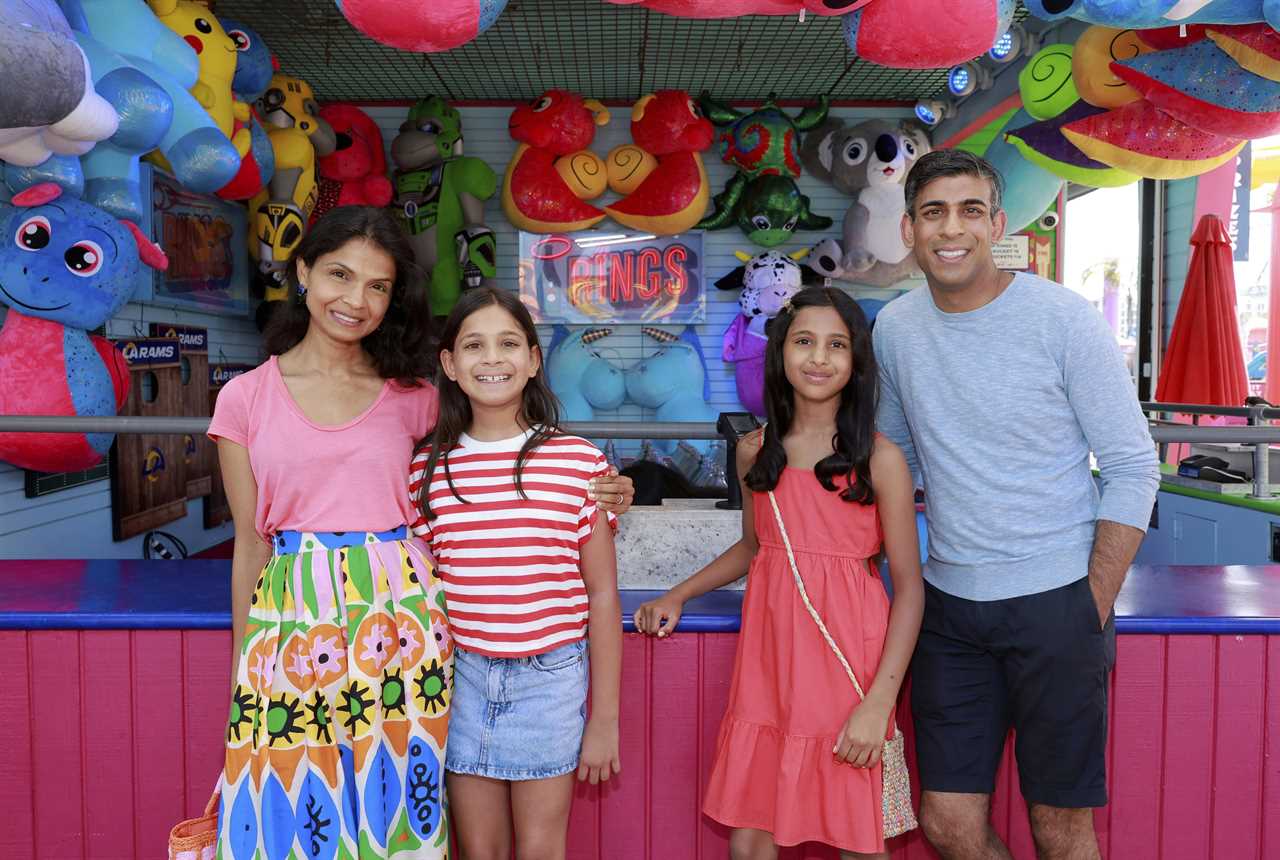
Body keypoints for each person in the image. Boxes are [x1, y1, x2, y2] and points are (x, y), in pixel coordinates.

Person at [209, 207, 633, 858]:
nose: (355, 299)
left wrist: (613, 486)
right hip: (293, 621)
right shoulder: (243, 398)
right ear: (302, 272)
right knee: (292, 812)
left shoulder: (413, 397)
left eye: (377, 286)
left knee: (394, 811)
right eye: (339, 276)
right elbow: (250, 542)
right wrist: (246, 666)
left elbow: (496, 451)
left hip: (401, 626)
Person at [875, 149, 1160, 860]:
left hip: (1058, 604)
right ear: (909, 229)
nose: (953, 229)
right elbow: (892, 459)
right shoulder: (895, 330)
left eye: (971, 210)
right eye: (934, 212)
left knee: (1060, 827)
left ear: (998, 223)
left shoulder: (1062, 320)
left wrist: (1089, 601)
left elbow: (1132, 466)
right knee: (944, 820)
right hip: (948, 610)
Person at [634, 286, 924, 859]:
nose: (819, 357)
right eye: (804, 342)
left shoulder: (881, 458)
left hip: (849, 668)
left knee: (857, 835)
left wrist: (878, 705)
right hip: (769, 666)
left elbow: (910, 590)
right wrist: (680, 593)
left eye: (836, 344)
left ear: (856, 360)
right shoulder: (754, 450)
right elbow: (754, 547)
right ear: (780, 352)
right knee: (750, 837)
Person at [408, 287, 623, 860]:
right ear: (450, 365)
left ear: (533, 359)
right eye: (473, 345)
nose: (492, 359)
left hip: (550, 682)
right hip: (461, 681)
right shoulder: (424, 471)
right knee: (479, 851)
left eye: (508, 344)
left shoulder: (580, 463)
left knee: (540, 849)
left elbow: (602, 595)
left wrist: (604, 720)